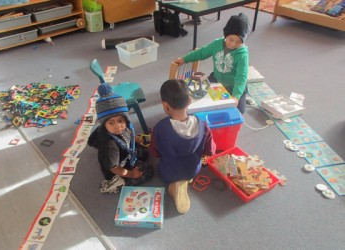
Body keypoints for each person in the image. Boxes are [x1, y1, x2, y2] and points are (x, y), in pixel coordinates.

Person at [149, 79, 216, 213]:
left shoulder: (160, 128)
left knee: (159, 165)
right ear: (190, 101)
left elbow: (155, 153)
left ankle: (174, 185)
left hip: (168, 173)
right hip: (193, 170)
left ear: (165, 106)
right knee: (190, 166)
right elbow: (210, 151)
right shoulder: (203, 125)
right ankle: (185, 180)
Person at [173, 12, 251, 114]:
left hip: (234, 86)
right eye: (231, 39)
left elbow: (241, 77)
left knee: (239, 112)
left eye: (238, 42)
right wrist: (184, 59)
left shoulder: (242, 55)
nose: (233, 44)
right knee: (204, 99)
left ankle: (243, 97)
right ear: (226, 35)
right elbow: (202, 53)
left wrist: (236, 96)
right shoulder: (217, 44)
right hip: (217, 79)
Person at [87, 82, 153, 193]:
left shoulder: (124, 127)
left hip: (125, 152)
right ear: (104, 124)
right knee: (148, 171)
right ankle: (119, 183)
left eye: (121, 121)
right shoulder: (110, 146)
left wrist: (134, 139)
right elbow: (114, 168)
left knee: (145, 153)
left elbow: (127, 133)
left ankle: (132, 164)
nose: (118, 126)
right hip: (117, 168)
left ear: (125, 119)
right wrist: (131, 174)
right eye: (111, 123)